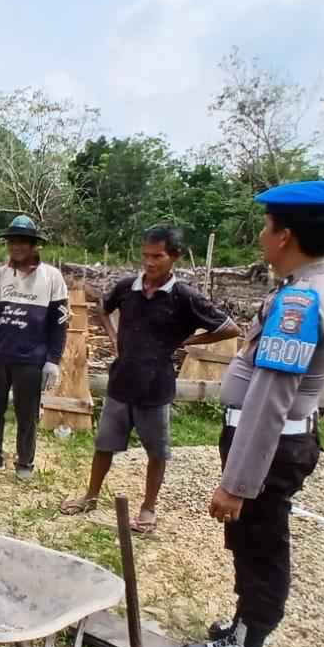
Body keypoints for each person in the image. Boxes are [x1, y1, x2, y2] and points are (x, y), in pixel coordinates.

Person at [180, 181, 324, 647]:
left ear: (285, 236)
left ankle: (248, 646)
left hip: (271, 443)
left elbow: (269, 398)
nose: (261, 234)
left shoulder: (301, 303)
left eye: (266, 226)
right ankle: (243, 626)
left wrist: (237, 482)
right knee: (254, 538)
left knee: (261, 541)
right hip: (280, 442)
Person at [60, 224, 239, 531]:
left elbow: (230, 328)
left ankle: (148, 508)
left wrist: (186, 342)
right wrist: (115, 339)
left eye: (158, 256)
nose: (150, 263)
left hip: (156, 388)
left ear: (175, 257)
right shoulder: (128, 288)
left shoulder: (184, 297)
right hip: (121, 383)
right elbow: (103, 308)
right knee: (104, 445)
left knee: (156, 452)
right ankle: (90, 495)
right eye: (145, 256)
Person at [0, 215, 68, 481]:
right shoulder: (1, 275)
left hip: (31, 359)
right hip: (0, 355)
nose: (16, 247)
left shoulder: (52, 278)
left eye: (22, 242)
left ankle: (25, 462)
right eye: (12, 242)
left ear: (34, 245)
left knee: (27, 413)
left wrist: (53, 360)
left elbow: (59, 324)